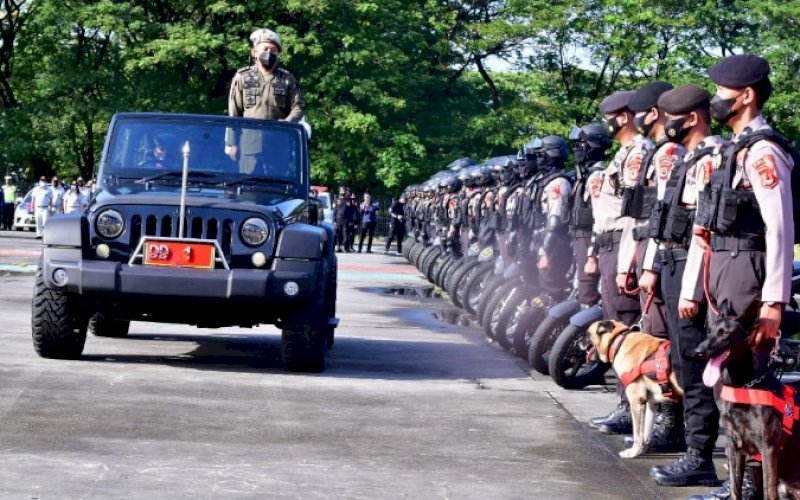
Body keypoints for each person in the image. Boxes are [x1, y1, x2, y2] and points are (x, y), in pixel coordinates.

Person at [686, 53, 792, 500]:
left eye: (721, 93)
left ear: (745, 96)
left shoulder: (764, 152)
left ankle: (752, 485)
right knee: (724, 382)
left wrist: (773, 303)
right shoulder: (733, 149)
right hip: (725, 273)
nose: (715, 100)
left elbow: (779, 229)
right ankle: (738, 483)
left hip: (749, 275)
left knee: (751, 381)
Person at [640, 84, 724, 489]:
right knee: (682, 360)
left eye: (672, 117)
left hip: (695, 268)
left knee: (694, 361)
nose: (665, 124)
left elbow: (703, 232)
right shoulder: (688, 159)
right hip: (673, 263)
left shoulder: (711, 159)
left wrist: (690, 288)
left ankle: (701, 456)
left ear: (691, 119)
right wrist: (654, 267)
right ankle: (694, 449)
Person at [625, 81, 688, 453]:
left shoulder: (669, 153)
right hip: (654, 252)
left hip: (667, 257)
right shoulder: (658, 151)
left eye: (639, 113)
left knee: (663, 345)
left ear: (653, 113)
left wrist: (649, 265)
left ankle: (670, 423)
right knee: (655, 337)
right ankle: (657, 420)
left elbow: (663, 215)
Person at [587, 90, 650, 435]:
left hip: (624, 244)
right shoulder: (623, 155)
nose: (605, 124)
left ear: (623, 117)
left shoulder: (638, 153)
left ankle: (631, 405)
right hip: (609, 245)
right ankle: (625, 403)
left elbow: (633, 216)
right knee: (615, 321)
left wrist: (628, 259)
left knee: (624, 325)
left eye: (608, 118)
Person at [227, 28, 305, 174]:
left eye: (273, 50)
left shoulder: (287, 79)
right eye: (265, 49)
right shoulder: (243, 77)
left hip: (278, 144)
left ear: (278, 54)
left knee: (277, 183)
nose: (269, 53)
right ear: (254, 52)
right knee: (248, 183)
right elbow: (234, 112)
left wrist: (288, 121)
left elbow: (298, 106)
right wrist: (233, 143)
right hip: (249, 144)